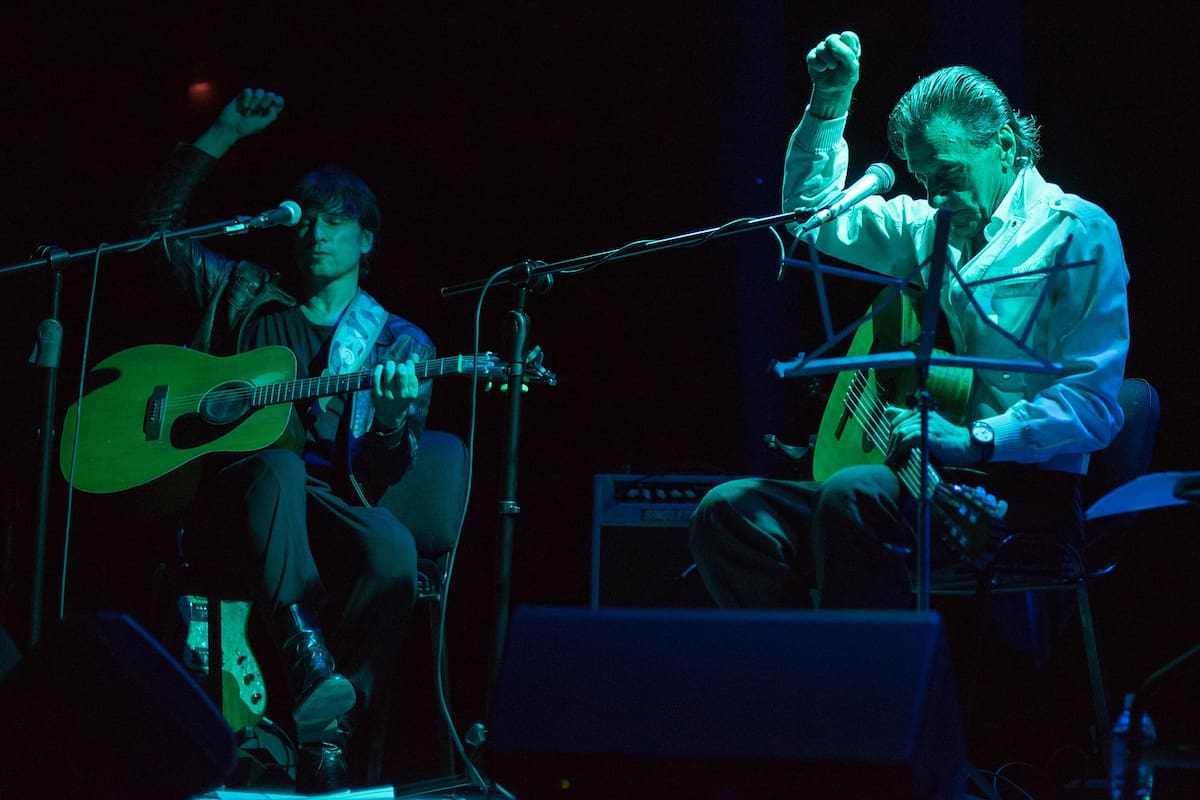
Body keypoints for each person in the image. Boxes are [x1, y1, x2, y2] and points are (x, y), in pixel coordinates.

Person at [689, 31, 1130, 611]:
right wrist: (829, 105)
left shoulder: (1076, 231)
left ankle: (867, 691)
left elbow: (1094, 405)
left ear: (1002, 145)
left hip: (1024, 489)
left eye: (947, 174)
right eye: (923, 180)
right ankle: (800, 676)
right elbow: (813, 216)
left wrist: (976, 438)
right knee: (729, 512)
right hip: (918, 478)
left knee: (851, 494)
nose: (935, 194)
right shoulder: (928, 226)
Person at [136, 88, 436, 793]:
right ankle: (311, 669)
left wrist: (391, 419)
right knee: (274, 464)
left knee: (392, 548)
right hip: (234, 500)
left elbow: (385, 471)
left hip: (327, 501)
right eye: (308, 220)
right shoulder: (240, 292)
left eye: (339, 222)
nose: (317, 233)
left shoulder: (398, 343)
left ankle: (326, 727)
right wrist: (221, 134)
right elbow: (152, 230)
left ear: (367, 240)